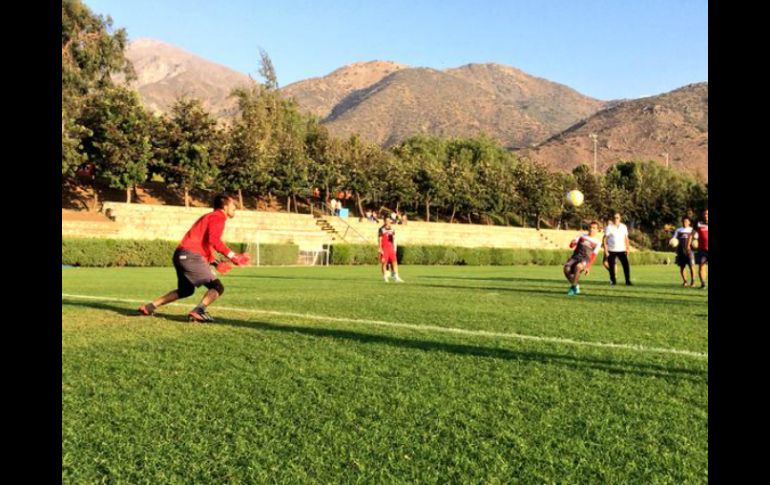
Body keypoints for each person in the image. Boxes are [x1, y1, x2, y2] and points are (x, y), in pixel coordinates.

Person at [137, 194, 250, 322]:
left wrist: (215, 263)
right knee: (217, 287)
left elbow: (202, 244)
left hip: (180, 255)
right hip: (191, 256)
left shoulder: (209, 217)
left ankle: (149, 307)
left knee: (186, 290)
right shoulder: (218, 217)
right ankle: (198, 311)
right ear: (224, 206)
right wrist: (233, 256)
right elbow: (214, 241)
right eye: (233, 205)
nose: (235, 207)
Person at [563, 221, 602, 295]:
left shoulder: (598, 242)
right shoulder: (581, 236)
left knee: (578, 267)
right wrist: (572, 242)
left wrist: (588, 267)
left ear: (597, 230)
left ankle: (573, 287)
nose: (591, 229)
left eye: (594, 228)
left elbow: (593, 255)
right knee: (566, 269)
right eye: (590, 227)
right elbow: (571, 246)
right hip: (575, 257)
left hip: (585, 259)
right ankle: (576, 285)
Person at [603, 212, 632, 286]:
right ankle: (613, 281)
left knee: (626, 266)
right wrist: (606, 250)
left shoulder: (623, 227)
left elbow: (626, 238)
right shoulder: (609, 227)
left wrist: (627, 248)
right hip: (611, 250)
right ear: (612, 219)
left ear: (620, 218)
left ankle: (627, 281)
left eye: (617, 217)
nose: (616, 219)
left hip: (622, 250)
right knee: (611, 267)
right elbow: (605, 239)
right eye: (614, 217)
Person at [687, 209, 708, 289]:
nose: (706, 215)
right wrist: (688, 245)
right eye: (705, 214)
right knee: (702, 266)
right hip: (702, 250)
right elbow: (691, 234)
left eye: (707, 214)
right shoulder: (698, 223)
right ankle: (703, 284)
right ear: (703, 215)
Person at [378, 217, 404, 283]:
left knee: (394, 262)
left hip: (391, 248)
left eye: (389, 220)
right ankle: (385, 277)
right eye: (386, 220)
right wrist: (380, 248)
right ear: (384, 221)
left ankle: (396, 277)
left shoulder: (392, 229)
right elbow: (380, 239)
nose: (388, 222)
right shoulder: (381, 229)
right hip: (384, 248)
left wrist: (395, 247)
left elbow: (394, 239)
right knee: (384, 263)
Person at [672, 216, 695, 287]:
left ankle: (693, 282)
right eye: (683, 221)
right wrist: (672, 242)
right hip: (680, 251)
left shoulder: (692, 230)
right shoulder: (678, 230)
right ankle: (685, 281)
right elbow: (674, 239)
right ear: (682, 222)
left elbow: (696, 238)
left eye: (686, 221)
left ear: (689, 222)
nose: (685, 223)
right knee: (682, 267)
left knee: (691, 266)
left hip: (689, 251)